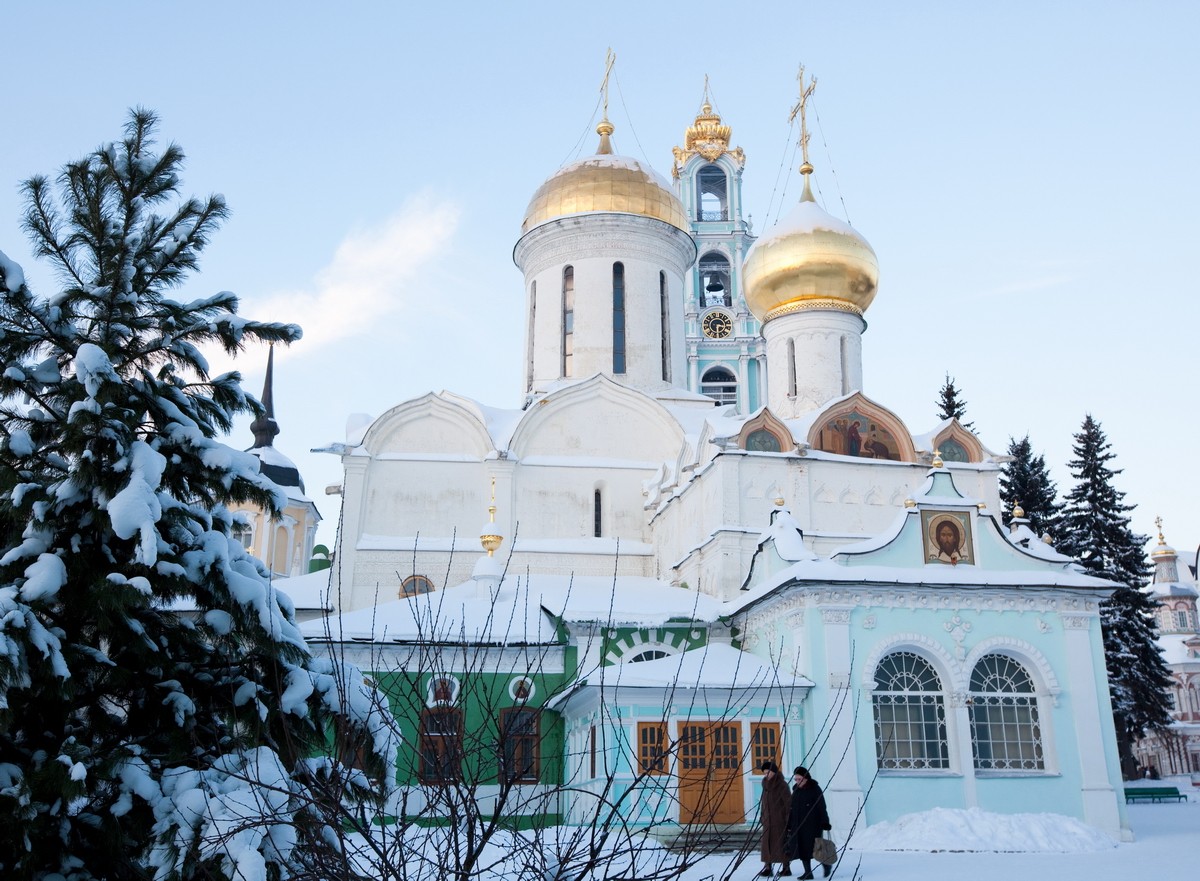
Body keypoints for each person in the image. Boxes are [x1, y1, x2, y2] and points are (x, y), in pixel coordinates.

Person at [785, 766, 832, 880]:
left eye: (799, 779)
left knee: (816, 848)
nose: (797, 781)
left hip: (813, 825)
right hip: (798, 825)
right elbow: (792, 808)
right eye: (796, 779)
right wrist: (789, 824)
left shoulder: (815, 789)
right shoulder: (796, 790)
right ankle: (808, 872)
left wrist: (825, 822)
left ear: (806, 778)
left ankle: (826, 864)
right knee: (802, 849)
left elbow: (821, 806)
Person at [759, 761, 792, 876]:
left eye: (768, 772)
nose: (766, 775)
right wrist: (762, 816)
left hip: (780, 820)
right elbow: (764, 803)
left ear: (774, 772)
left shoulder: (782, 785)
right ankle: (767, 867)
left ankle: (786, 868)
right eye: (765, 773)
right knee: (766, 845)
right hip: (768, 820)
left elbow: (788, 803)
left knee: (781, 844)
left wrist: (788, 819)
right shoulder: (765, 784)